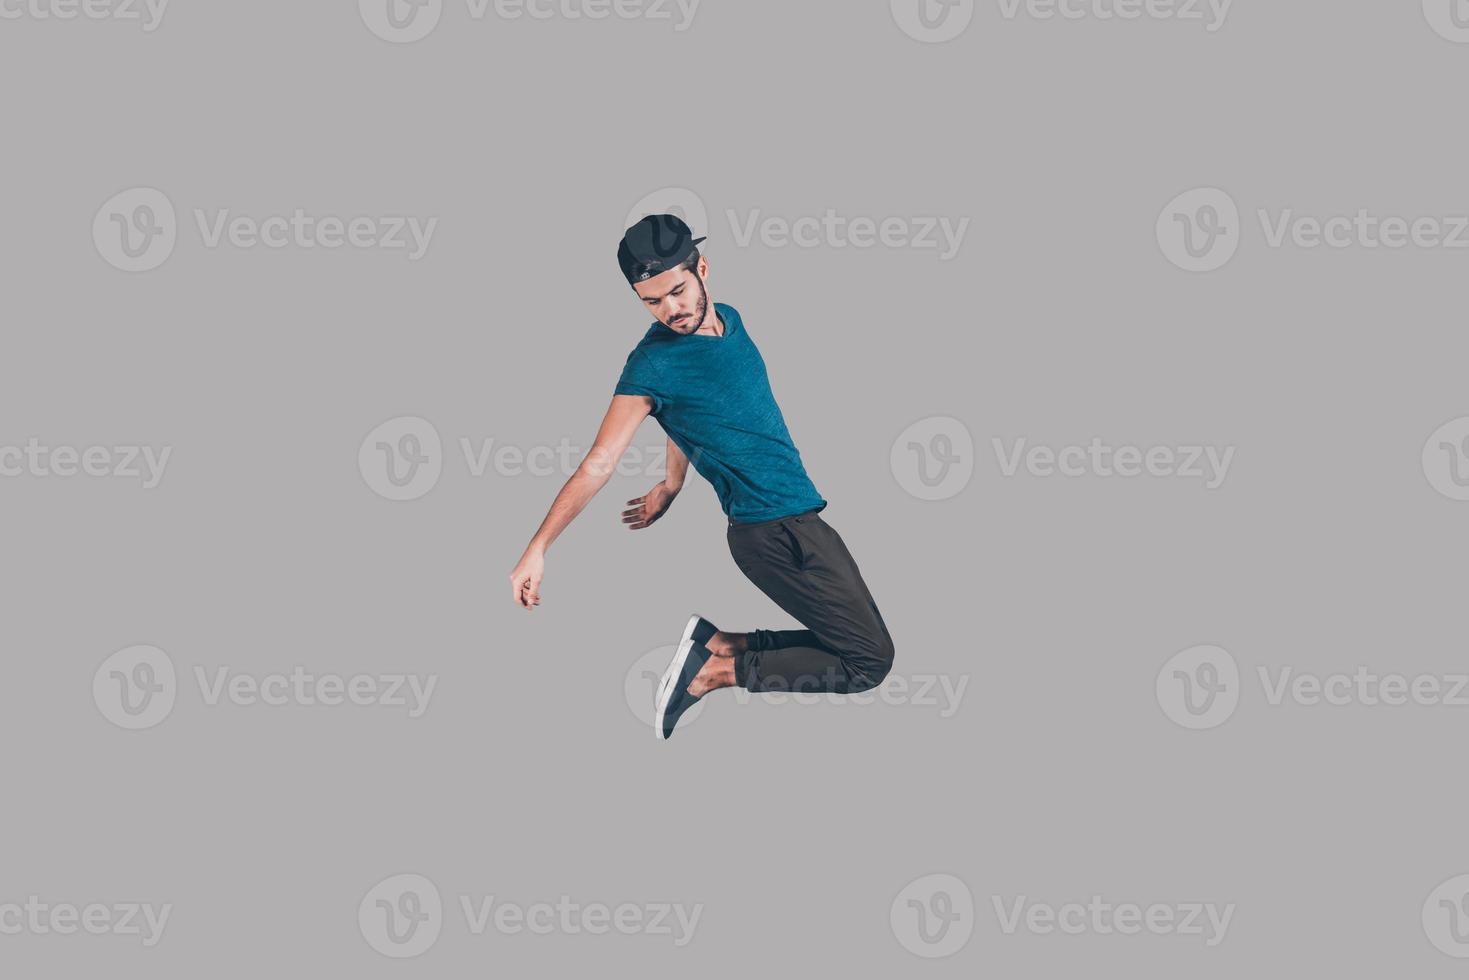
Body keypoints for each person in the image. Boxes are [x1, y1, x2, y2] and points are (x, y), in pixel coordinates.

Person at [509, 213, 895, 739]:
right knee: (867, 663)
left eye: (677, 291)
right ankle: (714, 673)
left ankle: (720, 644)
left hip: (799, 521)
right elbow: (599, 461)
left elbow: (684, 415)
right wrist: (539, 547)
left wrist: (672, 485)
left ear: (702, 270)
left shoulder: (731, 319)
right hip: (772, 534)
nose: (670, 310)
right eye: (652, 301)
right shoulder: (649, 367)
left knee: (860, 643)